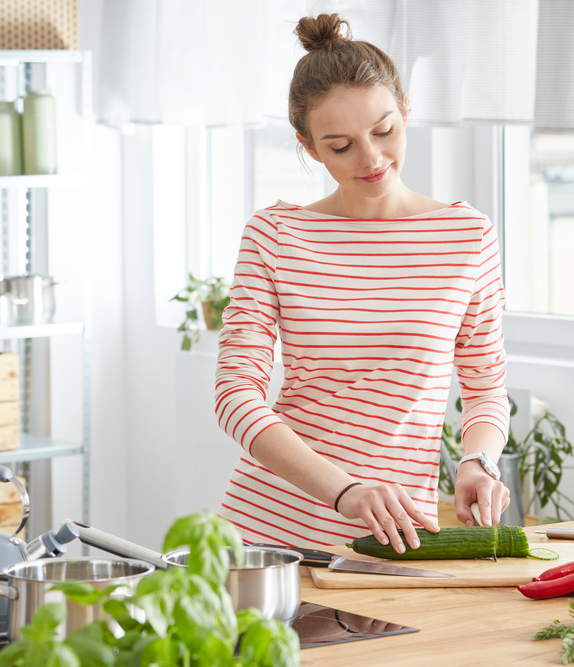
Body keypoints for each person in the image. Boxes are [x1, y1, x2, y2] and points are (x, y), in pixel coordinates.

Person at [214, 13, 510, 553]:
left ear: (405, 110)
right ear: (309, 147)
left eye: (384, 130)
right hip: (268, 534)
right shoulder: (276, 235)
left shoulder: (467, 236)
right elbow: (236, 395)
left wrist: (477, 460)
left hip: (394, 537)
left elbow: (486, 386)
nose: (372, 158)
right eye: (340, 145)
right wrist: (343, 490)